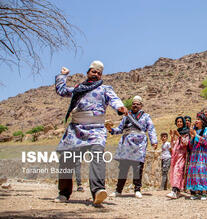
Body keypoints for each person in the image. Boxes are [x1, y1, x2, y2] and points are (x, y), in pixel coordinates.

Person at [54, 61, 128, 205]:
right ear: (88, 72)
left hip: (96, 130)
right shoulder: (78, 88)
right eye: (94, 72)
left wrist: (120, 107)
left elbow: (115, 100)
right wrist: (62, 76)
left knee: (97, 156)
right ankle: (63, 193)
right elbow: (61, 91)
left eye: (99, 73)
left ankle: (98, 191)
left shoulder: (105, 89)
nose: (96, 75)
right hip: (76, 129)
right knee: (66, 159)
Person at [107, 95, 158, 199]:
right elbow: (120, 129)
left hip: (139, 144)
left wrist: (154, 141)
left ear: (141, 106)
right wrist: (111, 129)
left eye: (137, 104)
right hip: (126, 144)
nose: (135, 105)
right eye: (133, 104)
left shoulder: (146, 116)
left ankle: (137, 189)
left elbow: (151, 129)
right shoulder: (126, 116)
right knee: (123, 168)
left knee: (137, 167)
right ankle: (118, 190)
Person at [186, 113, 207, 200]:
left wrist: (195, 135)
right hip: (195, 154)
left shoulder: (206, 130)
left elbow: (205, 140)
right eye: (196, 119)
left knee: (201, 170)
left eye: (198, 119)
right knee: (195, 171)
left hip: (202, 154)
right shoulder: (194, 130)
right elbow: (191, 144)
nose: (196, 121)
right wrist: (192, 137)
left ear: (203, 121)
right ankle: (196, 192)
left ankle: (204, 192)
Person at [167, 116, 190, 199]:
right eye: (178, 122)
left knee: (178, 171)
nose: (179, 123)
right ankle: (177, 191)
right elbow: (173, 145)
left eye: (181, 121)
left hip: (182, 156)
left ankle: (174, 190)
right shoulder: (177, 132)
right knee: (174, 172)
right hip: (175, 155)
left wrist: (179, 136)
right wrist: (172, 137)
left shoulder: (186, 132)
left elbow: (186, 143)